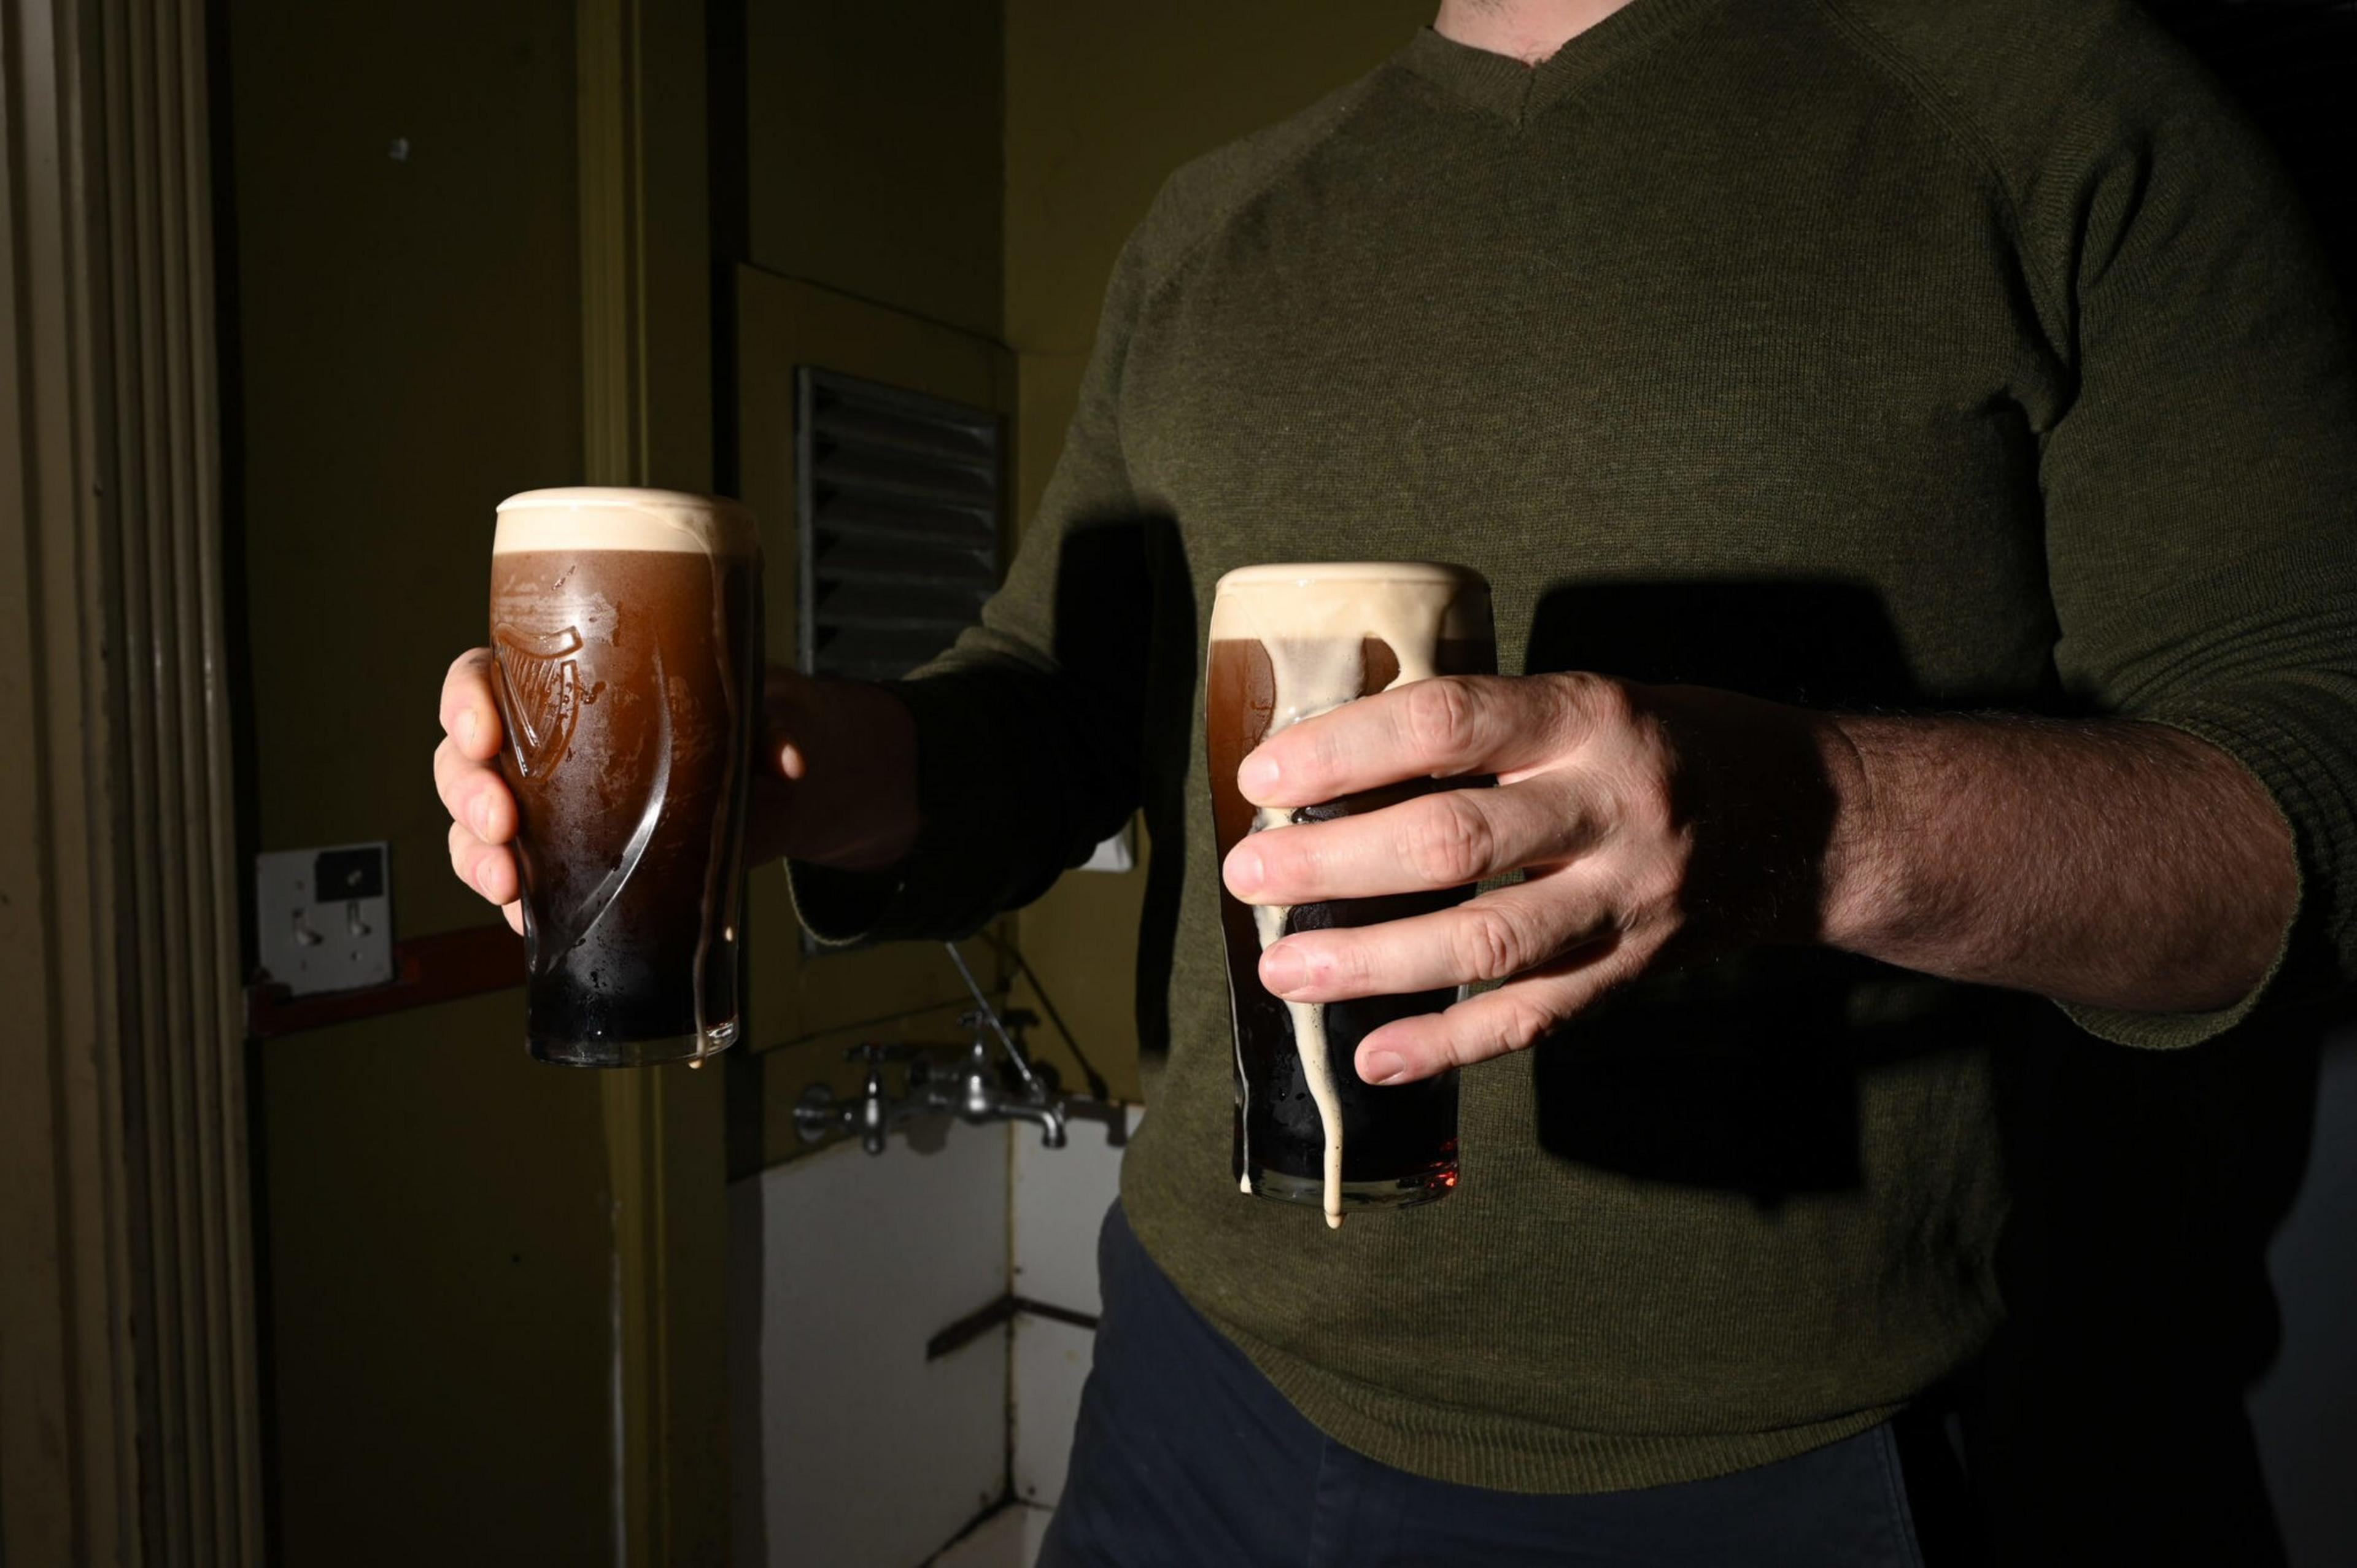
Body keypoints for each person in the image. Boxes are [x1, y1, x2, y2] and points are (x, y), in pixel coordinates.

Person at [435, 0, 2357, 1559]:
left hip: (1764, 1467)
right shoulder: (1210, 224)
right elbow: (1048, 715)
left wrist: (1801, 821)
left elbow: (2293, 814)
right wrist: (791, 767)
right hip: (1189, 1389)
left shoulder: (2060, 101)